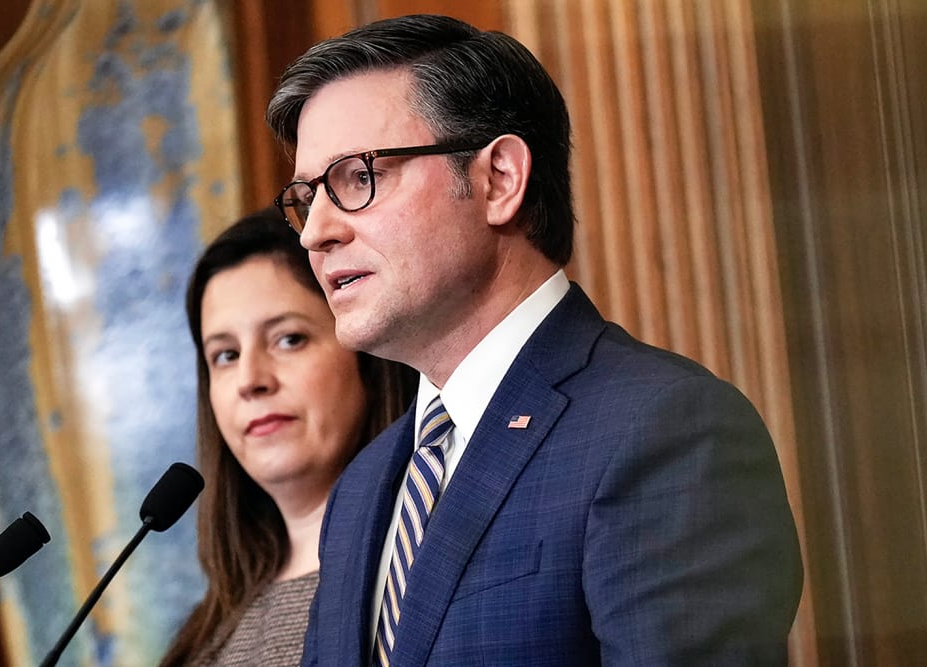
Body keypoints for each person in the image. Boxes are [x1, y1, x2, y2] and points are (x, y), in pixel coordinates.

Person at [266, 13, 804, 667]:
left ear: (499, 179)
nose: (314, 232)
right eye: (306, 196)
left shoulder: (664, 429)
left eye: (357, 178)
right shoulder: (362, 488)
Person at [160, 208, 417, 666]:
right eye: (225, 355)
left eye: (289, 339)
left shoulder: (417, 570)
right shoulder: (205, 631)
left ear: (367, 358)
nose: (250, 380)